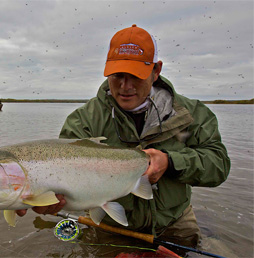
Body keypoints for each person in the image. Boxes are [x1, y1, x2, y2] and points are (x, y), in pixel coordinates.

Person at [16, 24, 230, 247]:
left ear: (156, 71)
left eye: (135, 76)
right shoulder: (83, 121)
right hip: (112, 226)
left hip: (175, 220)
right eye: (117, 75)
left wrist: (171, 162)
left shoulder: (191, 114)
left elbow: (219, 166)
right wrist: (47, 198)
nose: (125, 86)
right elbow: (61, 176)